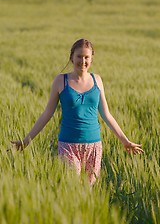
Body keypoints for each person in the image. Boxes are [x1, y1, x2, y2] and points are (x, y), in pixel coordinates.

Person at [11, 38, 144, 185]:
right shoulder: (61, 81)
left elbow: (106, 115)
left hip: (94, 145)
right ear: (72, 57)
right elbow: (47, 114)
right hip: (68, 145)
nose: (83, 61)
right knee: (71, 188)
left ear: (91, 59)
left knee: (87, 191)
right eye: (79, 56)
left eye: (86, 57)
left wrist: (125, 141)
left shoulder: (97, 80)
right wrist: (25, 141)